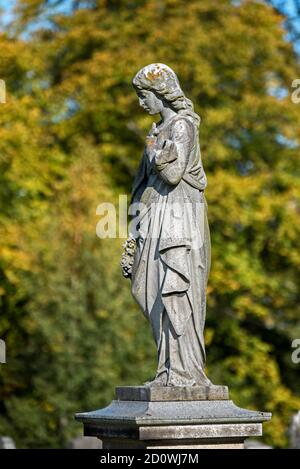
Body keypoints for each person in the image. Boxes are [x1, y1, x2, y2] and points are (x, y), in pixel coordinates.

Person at [124, 63, 212, 387]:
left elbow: (173, 175)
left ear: (161, 94)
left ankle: (184, 371)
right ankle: (166, 368)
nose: (141, 103)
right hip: (159, 215)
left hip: (179, 218)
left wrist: (152, 150)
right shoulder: (158, 130)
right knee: (152, 287)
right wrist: (135, 228)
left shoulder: (182, 127)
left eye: (144, 96)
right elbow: (146, 183)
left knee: (176, 287)